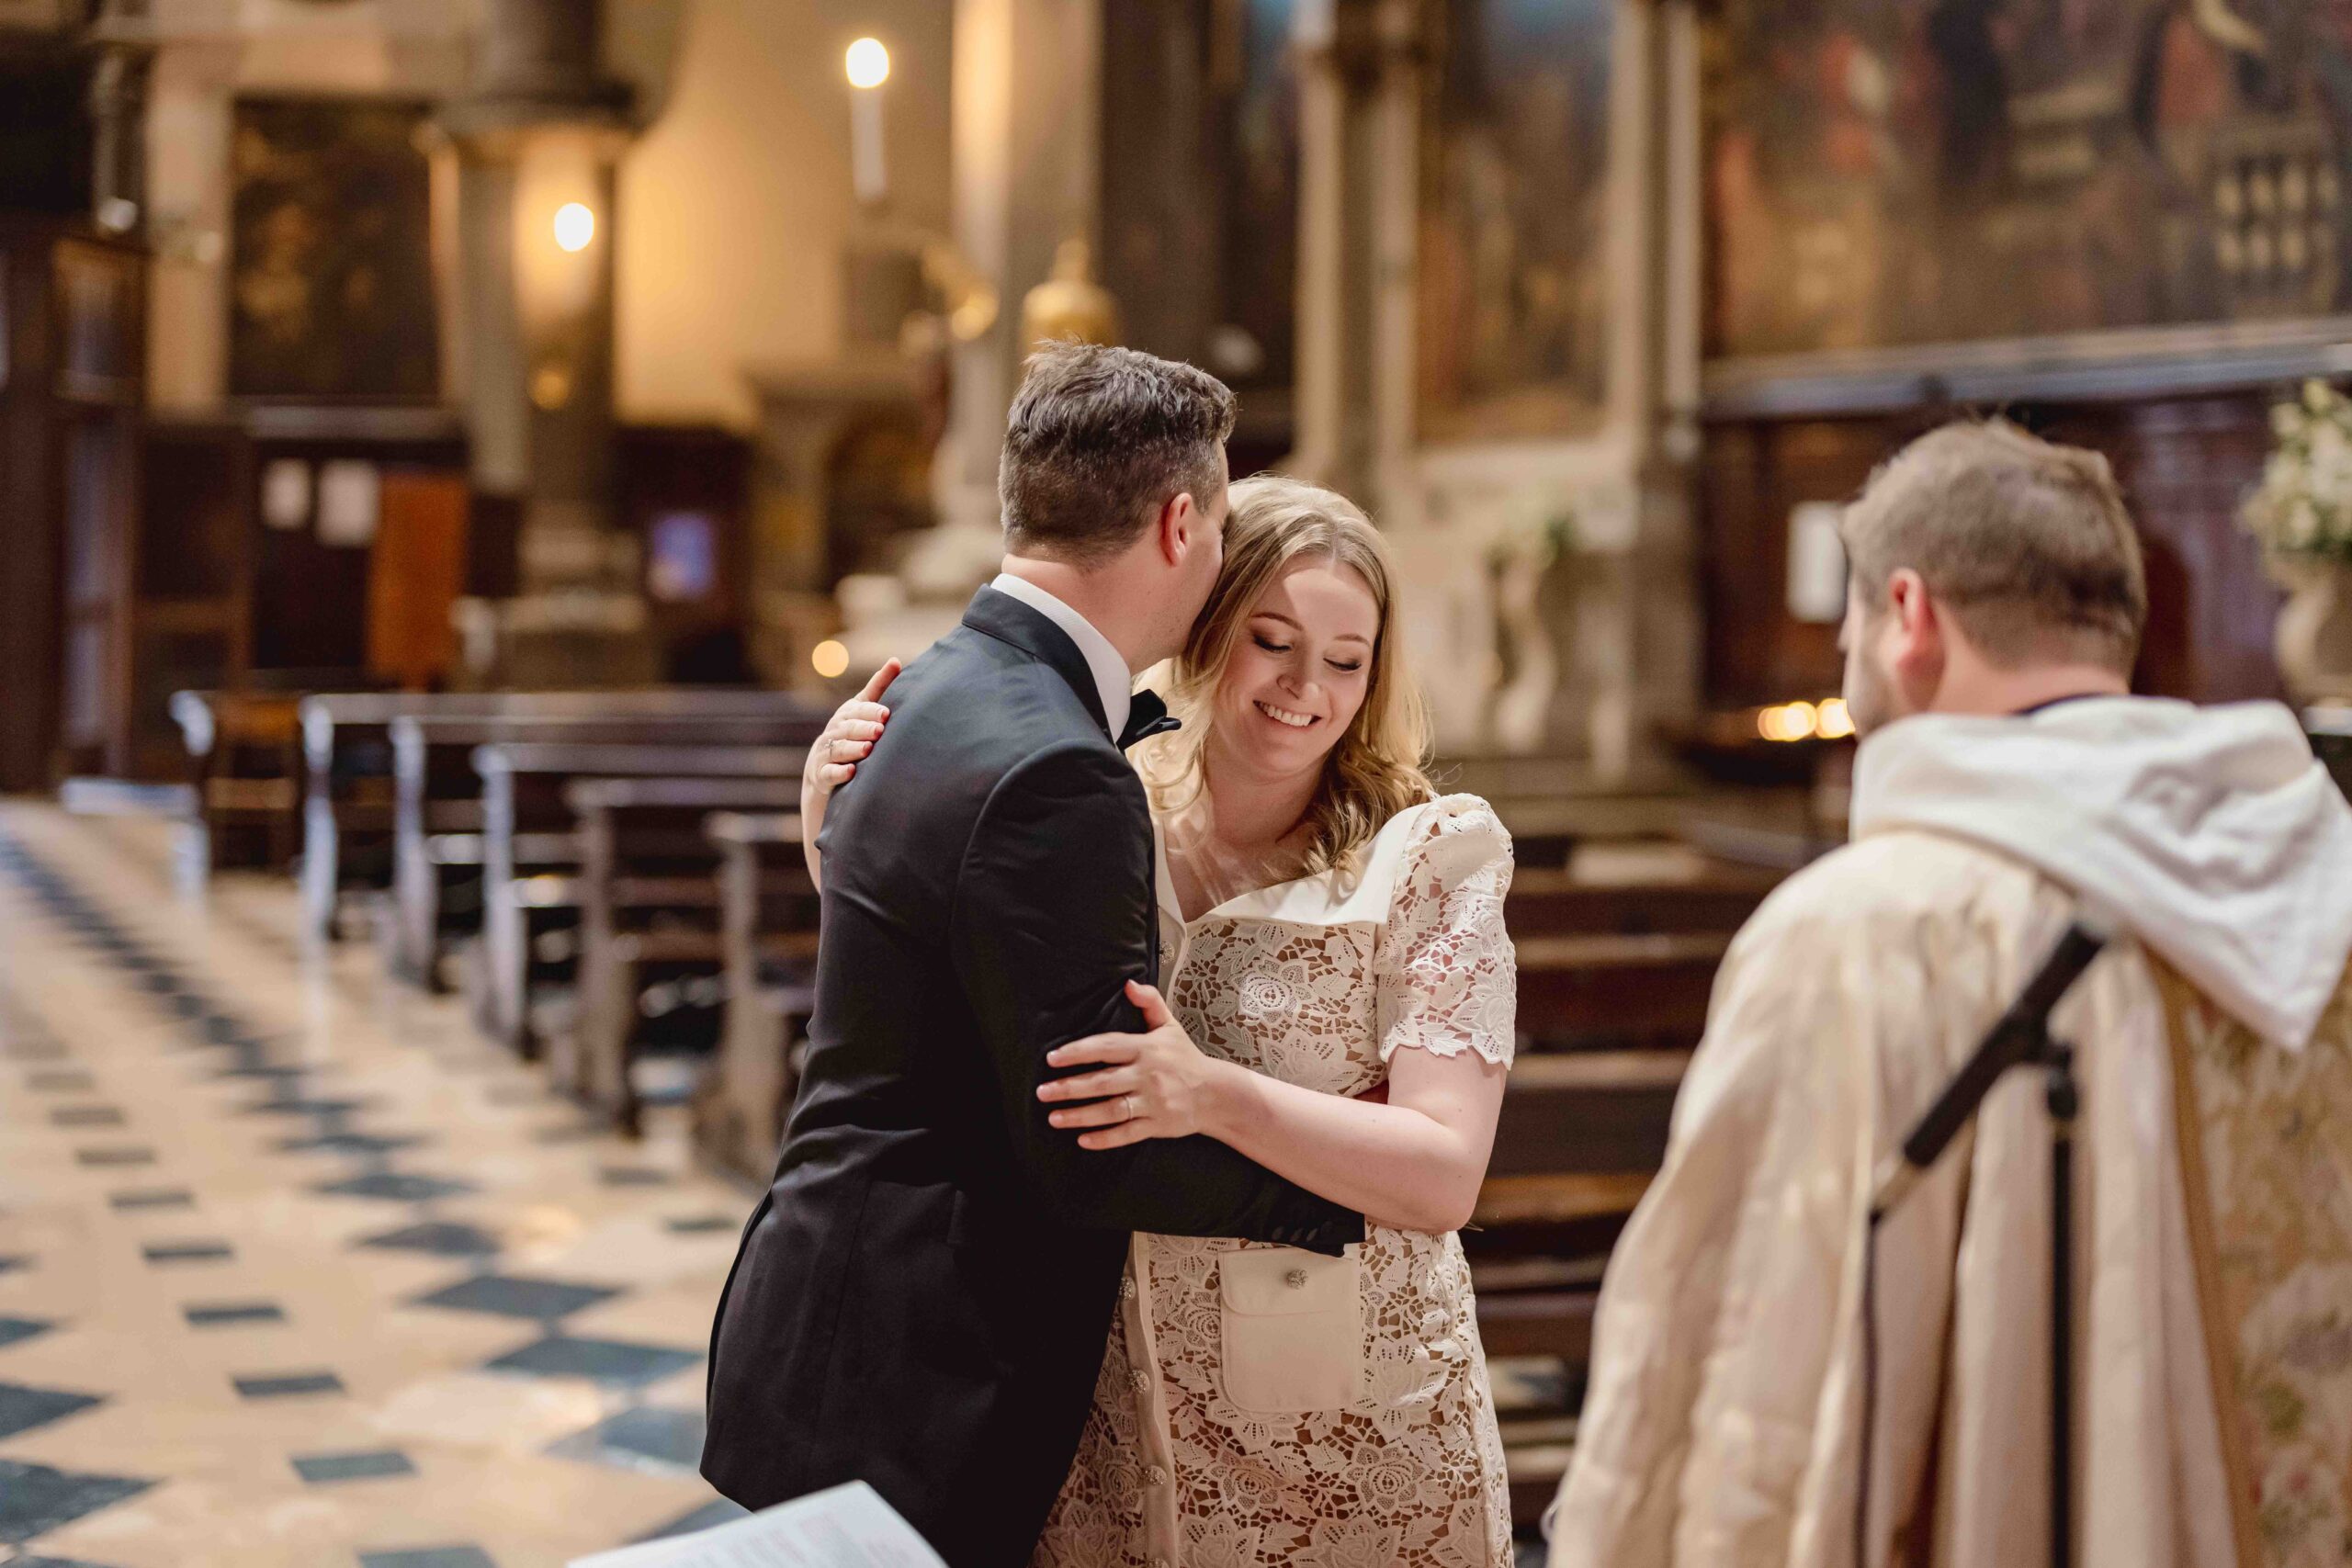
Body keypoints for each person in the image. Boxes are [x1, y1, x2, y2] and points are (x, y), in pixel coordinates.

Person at [1546, 419, 2352, 1568]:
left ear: (1909, 618)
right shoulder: (2326, 885)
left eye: (1851, 628)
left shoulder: (1865, 929)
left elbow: (1738, 1364)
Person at [699, 344, 1365, 1568]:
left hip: (829, 1325)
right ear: (1179, 523)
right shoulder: (1061, 767)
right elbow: (1091, 1140)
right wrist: (1343, 1189)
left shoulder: (937, 685)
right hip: (915, 1380)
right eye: (1217, 530)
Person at [801, 474, 1521, 1565]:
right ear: (1207, 629)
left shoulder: (1428, 856)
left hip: (1349, 1426)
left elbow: (1441, 1175)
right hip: (1099, 1413)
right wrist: (831, 825)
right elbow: (945, 1000)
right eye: (1271, 640)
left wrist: (1214, 1093)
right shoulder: (1093, 801)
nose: (1304, 688)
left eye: (1345, 659)